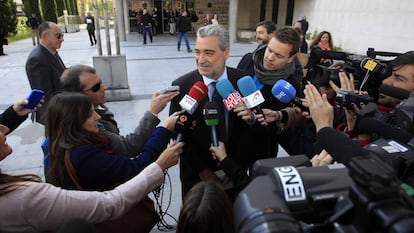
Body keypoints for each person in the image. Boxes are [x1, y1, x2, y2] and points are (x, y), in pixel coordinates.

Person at [0, 123, 181, 233]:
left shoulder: (57, 142)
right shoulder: (25, 198)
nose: (4, 129)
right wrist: (159, 164)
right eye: (89, 112)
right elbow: (110, 203)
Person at [169, 24, 254, 200]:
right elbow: (179, 135)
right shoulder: (182, 87)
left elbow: (254, 129)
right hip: (196, 180)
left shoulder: (242, 81)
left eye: (208, 53)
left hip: (236, 176)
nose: (201, 59)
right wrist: (204, 171)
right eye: (197, 52)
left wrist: (233, 167)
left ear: (226, 53)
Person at [45, 92, 183, 191]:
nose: (98, 117)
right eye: (89, 114)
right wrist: (163, 130)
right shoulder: (82, 154)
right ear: (71, 122)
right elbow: (135, 169)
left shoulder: (59, 140)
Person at [59, 65, 178, 156]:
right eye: (96, 87)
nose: (104, 88)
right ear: (78, 96)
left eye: (101, 83)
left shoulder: (98, 108)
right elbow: (129, 146)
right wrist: (153, 113)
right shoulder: (87, 125)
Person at [25, 21, 66, 124]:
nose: (62, 39)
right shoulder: (37, 59)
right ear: (45, 37)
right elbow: (45, 97)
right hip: (54, 116)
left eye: (62, 35)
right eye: (58, 36)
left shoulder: (51, 52)